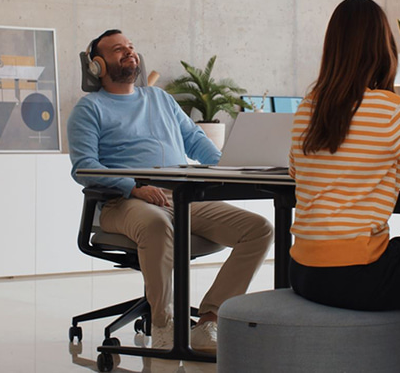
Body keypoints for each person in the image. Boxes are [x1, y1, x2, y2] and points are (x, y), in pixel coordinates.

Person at [67, 29, 274, 353]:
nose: (129, 52)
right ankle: (163, 324)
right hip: (123, 202)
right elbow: (83, 167)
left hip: (181, 196)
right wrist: (134, 188)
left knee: (259, 229)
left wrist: (229, 167)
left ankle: (209, 321)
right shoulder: (90, 108)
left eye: (131, 47)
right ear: (97, 65)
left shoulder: (160, 99)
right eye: (118, 49)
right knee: (156, 223)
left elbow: (195, 140)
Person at [288, 0, 400, 372]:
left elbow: (300, 172)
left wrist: (388, 164)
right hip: (355, 271)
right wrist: (392, 161)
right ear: (383, 47)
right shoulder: (389, 109)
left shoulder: (308, 107)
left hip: (305, 271)